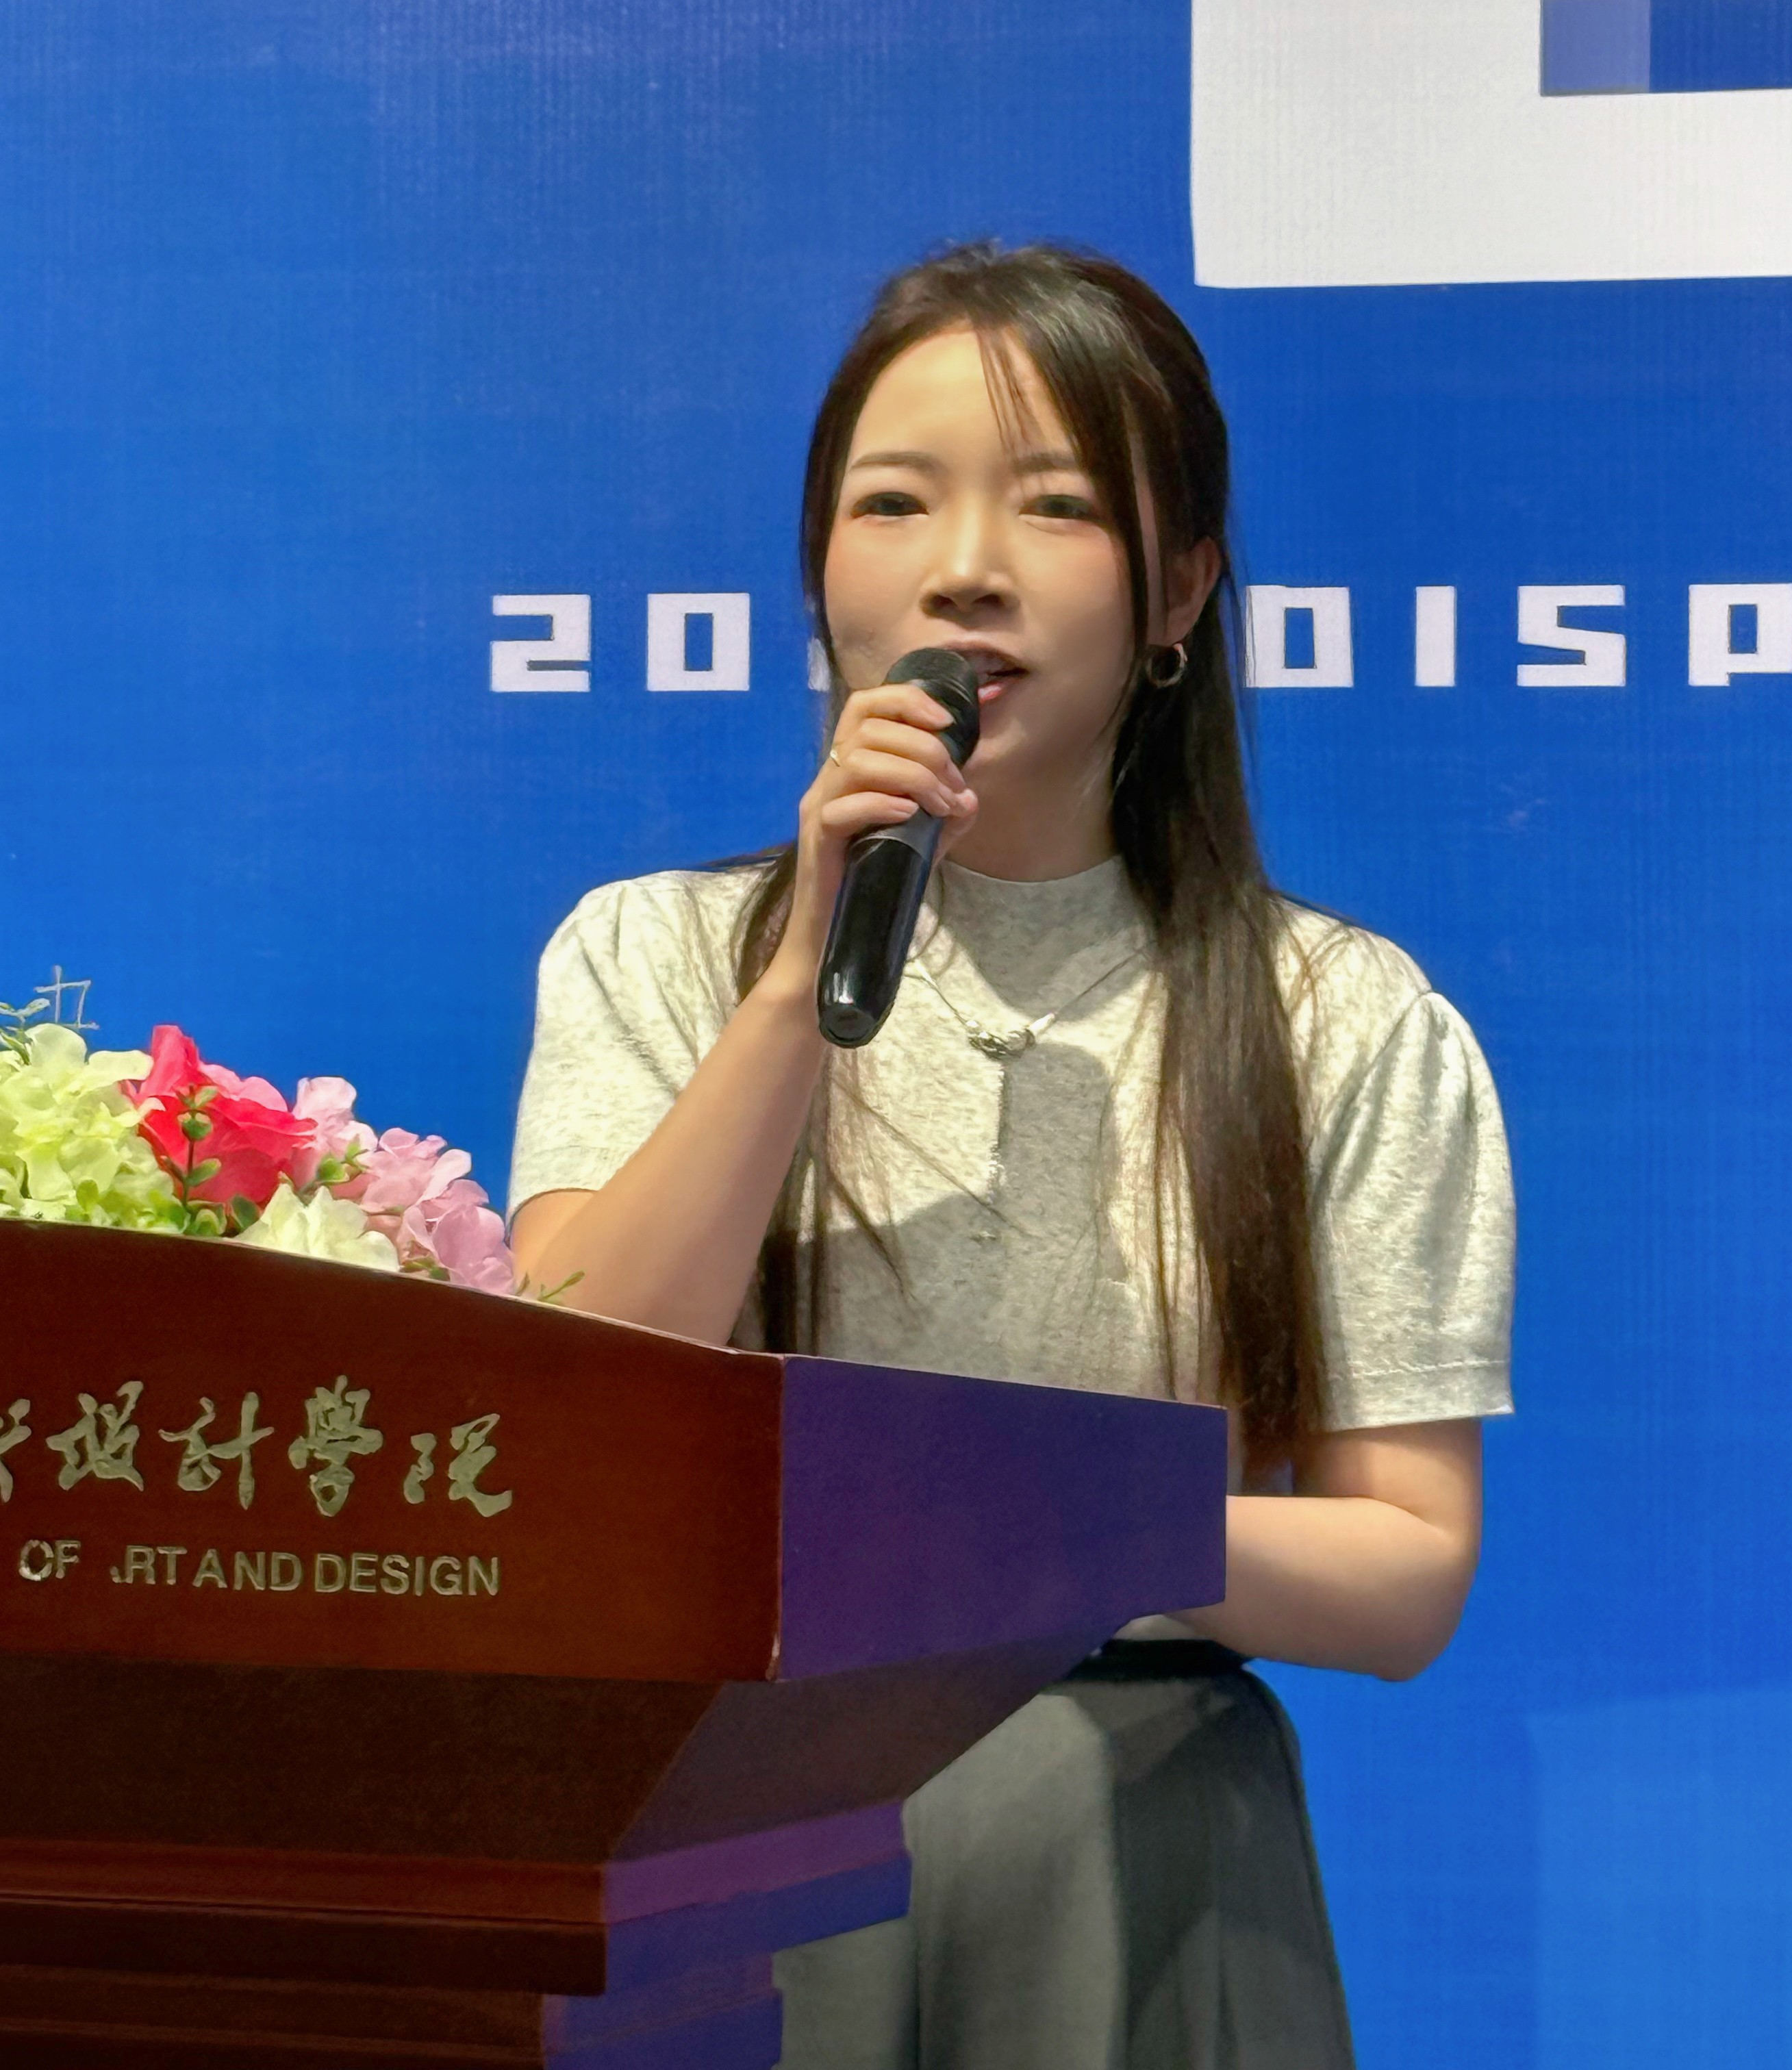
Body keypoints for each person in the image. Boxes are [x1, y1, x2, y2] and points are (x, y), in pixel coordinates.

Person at [508, 241, 1515, 2070]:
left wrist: (1028, 1525)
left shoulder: (1339, 1019)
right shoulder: (650, 955)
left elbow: (1405, 1570)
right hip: (728, 1817)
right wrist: (801, 982)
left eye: (1055, 504)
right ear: (821, 571)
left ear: (1179, 588)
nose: (964, 564)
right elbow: (586, 1389)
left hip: (1136, 1831)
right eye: (893, 501)